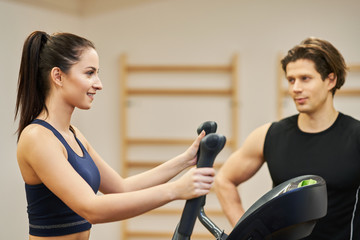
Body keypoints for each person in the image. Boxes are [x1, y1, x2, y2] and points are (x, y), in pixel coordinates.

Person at [15, 31, 215, 240]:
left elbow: (121, 188)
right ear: (58, 76)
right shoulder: (37, 138)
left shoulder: (74, 135)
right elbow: (91, 208)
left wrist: (185, 160)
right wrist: (175, 190)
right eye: (89, 73)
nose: (99, 84)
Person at [215, 37, 360, 240]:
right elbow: (224, 180)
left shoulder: (356, 137)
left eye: (305, 78)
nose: (295, 88)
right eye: (291, 80)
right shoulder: (269, 135)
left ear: (330, 80)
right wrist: (246, 233)